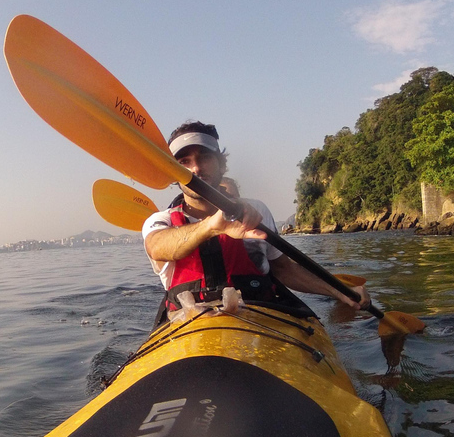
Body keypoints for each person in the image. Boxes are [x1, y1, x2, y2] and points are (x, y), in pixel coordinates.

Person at [141, 120, 370, 320]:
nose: (196, 169)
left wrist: (340, 292)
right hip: (190, 325)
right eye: (184, 161)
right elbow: (157, 247)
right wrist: (211, 226)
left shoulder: (255, 209)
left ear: (221, 163)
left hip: (260, 314)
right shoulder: (160, 221)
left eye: (205, 158)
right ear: (173, 172)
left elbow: (284, 269)